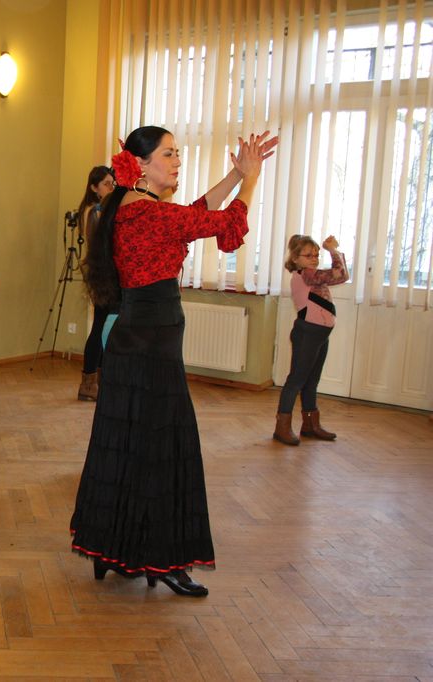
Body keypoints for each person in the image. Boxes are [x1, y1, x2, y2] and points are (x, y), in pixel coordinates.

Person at [70, 126, 278, 597]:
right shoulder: (145, 213)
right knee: (162, 452)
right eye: (169, 154)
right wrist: (250, 180)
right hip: (152, 346)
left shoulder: (134, 207)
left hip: (138, 341)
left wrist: (235, 175)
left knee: (128, 448)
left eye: (178, 153)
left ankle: (114, 548)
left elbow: (194, 213)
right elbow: (226, 226)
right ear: (141, 165)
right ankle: (161, 560)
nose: (178, 161)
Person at [273, 234, 347, 445]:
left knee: (311, 381)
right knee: (296, 380)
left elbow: (340, 275)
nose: (314, 259)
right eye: (308, 255)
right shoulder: (306, 275)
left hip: (320, 334)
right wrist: (333, 250)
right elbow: (341, 275)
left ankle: (310, 425)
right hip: (308, 334)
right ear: (295, 258)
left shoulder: (312, 275)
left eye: (316, 255)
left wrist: (332, 251)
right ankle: (282, 427)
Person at [76, 166, 117, 401]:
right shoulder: (94, 211)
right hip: (102, 276)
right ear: (94, 187)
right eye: (106, 184)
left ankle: (98, 381)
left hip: (105, 275)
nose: (111, 187)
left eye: (113, 183)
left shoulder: (101, 209)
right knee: (100, 327)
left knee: (103, 327)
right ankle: (89, 383)